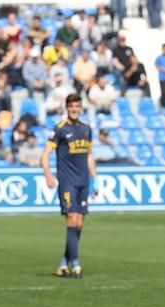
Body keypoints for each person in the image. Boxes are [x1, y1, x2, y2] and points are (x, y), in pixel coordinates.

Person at [40, 94, 98, 279]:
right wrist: (48, 175)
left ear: (81, 107)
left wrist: (95, 179)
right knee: (72, 220)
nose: (74, 109)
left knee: (79, 223)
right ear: (66, 107)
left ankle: (64, 263)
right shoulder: (59, 130)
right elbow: (44, 155)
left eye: (77, 106)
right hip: (67, 182)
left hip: (83, 182)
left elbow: (89, 155)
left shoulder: (86, 129)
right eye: (71, 106)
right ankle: (76, 264)